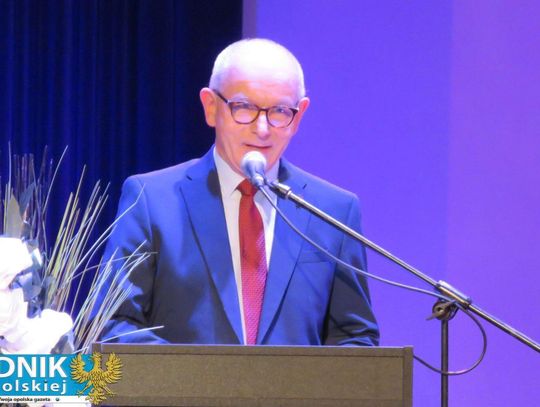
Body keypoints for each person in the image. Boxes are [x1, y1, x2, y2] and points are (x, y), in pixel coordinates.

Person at [99, 38, 379, 346]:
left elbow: (355, 338)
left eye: (279, 111)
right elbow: (113, 325)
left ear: (298, 116)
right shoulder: (152, 199)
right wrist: (203, 374)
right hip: (180, 381)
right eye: (244, 108)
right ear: (211, 107)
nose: (262, 129)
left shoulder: (333, 210)